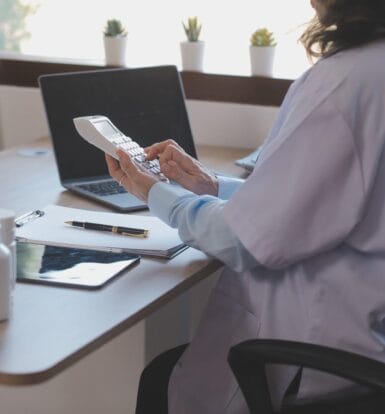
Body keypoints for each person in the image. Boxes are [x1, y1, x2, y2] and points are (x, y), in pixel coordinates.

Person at [106, 0, 385, 412]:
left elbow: (242, 241)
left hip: (318, 357)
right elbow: (331, 202)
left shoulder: (342, 84)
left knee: (159, 381)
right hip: (369, 338)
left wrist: (154, 192)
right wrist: (212, 186)